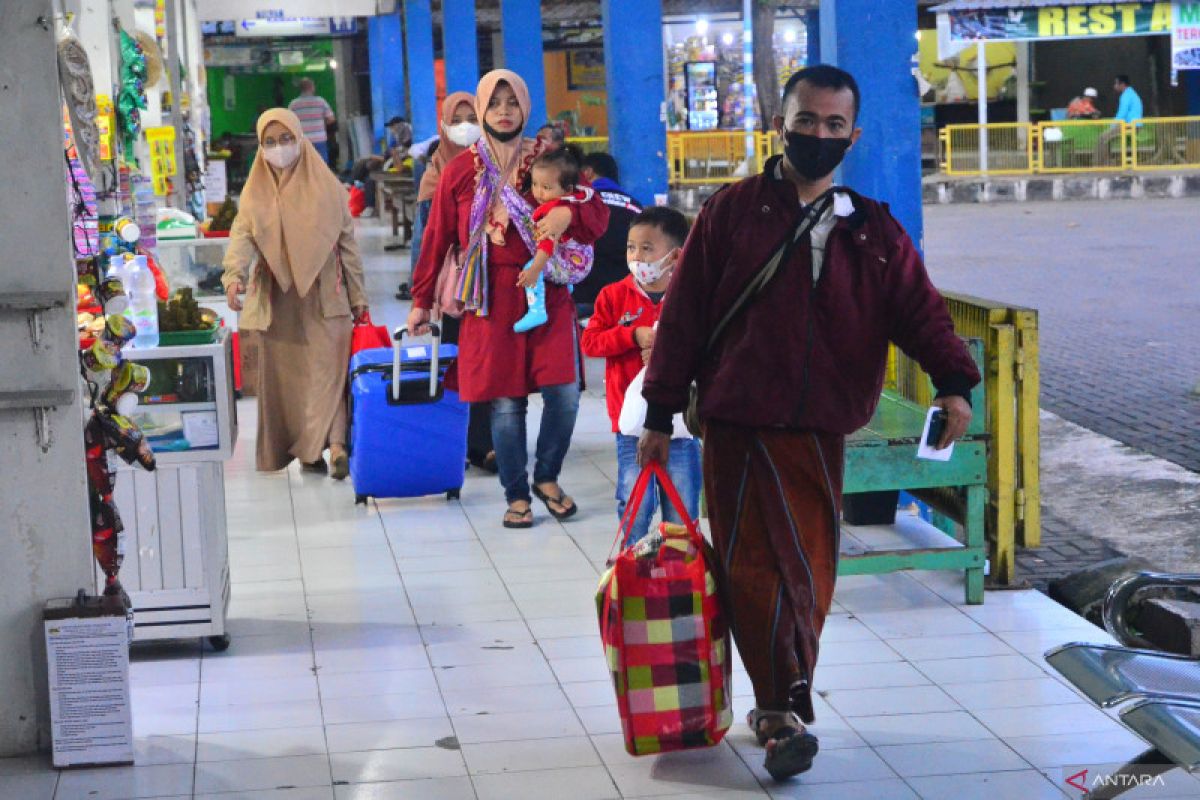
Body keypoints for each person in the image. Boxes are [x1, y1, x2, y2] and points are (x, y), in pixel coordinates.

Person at [637, 65, 980, 781]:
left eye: (833, 125)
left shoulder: (874, 229)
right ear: (780, 124)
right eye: (806, 121)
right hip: (736, 424)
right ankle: (779, 707)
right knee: (752, 568)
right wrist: (661, 411)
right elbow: (686, 317)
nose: (817, 135)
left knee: (809, 573)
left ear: (853, 135)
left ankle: (783, 692)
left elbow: (920, 312)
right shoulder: (730, 213)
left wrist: (954, 384)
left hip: (820, 430)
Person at [406, 70, 609, 529]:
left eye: (511, 102)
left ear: (524, 107)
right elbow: (437, 238)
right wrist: (421, 300)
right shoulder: (459, 170)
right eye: (494, 103)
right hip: (489, 298)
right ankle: (517, 495)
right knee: (504, 402)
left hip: (546, 293)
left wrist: (565, 214)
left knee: (564, 395)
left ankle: (548, 477)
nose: (503, 111)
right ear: (482, 110)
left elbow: (596, 216)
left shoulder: (551, 163)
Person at [222, 109, 368, 480]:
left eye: (286, 139)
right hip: (279, 298)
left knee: (330, 372)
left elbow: (347, 245)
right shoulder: (256, 192)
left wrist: (358, 297)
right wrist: (233, 276)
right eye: (269, 143)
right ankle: (309, 451)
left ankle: (336, 445)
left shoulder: (329, 187)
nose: (279, 149)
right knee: (292, 379)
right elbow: (242, 236)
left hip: (326, 293)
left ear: (301, 138)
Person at [581, 206, 699, 546]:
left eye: (647, 248)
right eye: (632, 247)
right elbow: (590, 342)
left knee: (683, 508)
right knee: (635, 505)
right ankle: (631, 569)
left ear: (676, 255)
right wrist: (632, 335)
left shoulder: (690, 296)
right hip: (630, 426)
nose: (636, 256)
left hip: (681, 427)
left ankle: (684, 576)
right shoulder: (614, 296)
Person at [515, 149, 593, 334]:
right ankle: (567, 281)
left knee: (530, 266)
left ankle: (536, 311)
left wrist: (534, 270)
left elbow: (547, 245)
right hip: (581, 258)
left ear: (566, 189)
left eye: (546, 187)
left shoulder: (552, 212)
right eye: (535, 184)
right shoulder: (575, 199)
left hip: (574, 265)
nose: (538, 192)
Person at [574, 152, 643, 318]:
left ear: (588, 172)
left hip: (582, 297)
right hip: (624, 300)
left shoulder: (577, 202)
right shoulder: (635, 205)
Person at [287, 78, 336, 164]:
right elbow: (331, 119)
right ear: (311, 88)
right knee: (321, 165)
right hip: (319, 139)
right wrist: (321, 124)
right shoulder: (321, 101)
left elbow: (288, 122)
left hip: (302, 140)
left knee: (304, 165)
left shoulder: (293, 104)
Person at [1098, 74, 1144, 164]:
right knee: (1106, 138)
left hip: (1129, 126)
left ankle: (1101, 163)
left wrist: (1113, 125)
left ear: (1122, 84)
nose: (1114, 86)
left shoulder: (1126, 95)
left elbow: (1122, 113)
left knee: (1102, 138)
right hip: (1133, 125)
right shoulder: (1131, 93)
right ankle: (1106, 161)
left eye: (1116, 83)